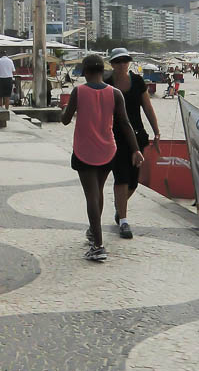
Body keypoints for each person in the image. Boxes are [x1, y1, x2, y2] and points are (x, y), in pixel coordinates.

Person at [61, 53, 144, 262]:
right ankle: (93, 230)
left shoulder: (78, 91)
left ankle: (98, 246)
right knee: (98, 192)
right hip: (108, 151)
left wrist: (65, 109)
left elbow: (65, 120)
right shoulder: (115, 93)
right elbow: (125, 123)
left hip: (84, 151)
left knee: (91, 195)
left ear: (85, 72)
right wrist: (136, 149)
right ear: (102, 71)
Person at [105, 48, 161, 239]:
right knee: (121, 177)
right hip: (115, 137)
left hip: (137, 136)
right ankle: (124, 221)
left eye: (125, 60)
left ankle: (119, 207)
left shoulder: (137, 82)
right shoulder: (107, 83)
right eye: (118, 61)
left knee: (133, 182)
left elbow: (147, 107)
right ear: (112, 64)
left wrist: (157, 131)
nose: (122, 64)